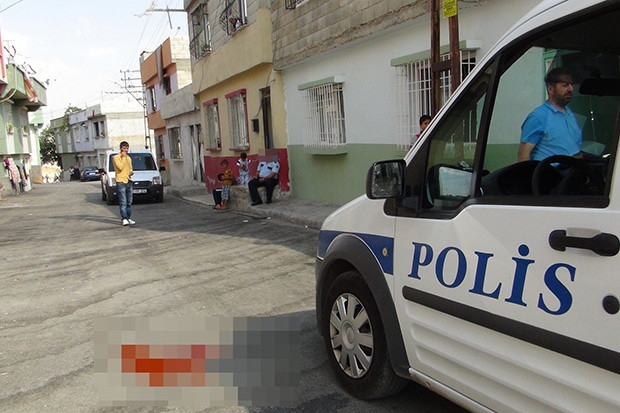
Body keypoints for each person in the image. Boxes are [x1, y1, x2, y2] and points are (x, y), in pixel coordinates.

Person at [518, 67, 582, 161]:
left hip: (573, 168)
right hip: (549, 169)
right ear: (551, 89)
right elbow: (523, 155)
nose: (570, 89)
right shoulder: (538, 117)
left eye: (571, 85)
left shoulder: (569, 114)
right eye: (565, 85)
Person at [113, 141, 135, 226]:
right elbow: (120, 167)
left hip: (128, 180)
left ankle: (128, 218)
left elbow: (130, 168)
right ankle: (124, 218)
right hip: (121, 181)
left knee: (129, 202)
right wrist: (123, 157)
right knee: (123, 202)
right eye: (124, 148)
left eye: (127, 148)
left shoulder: (128, 158)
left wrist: (131, 172)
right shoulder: (116, 157)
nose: (125, 150)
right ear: (121, 148)